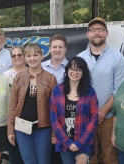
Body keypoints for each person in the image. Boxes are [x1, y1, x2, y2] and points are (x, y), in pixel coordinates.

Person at [77, 17, 124, 164]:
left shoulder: (117, 58)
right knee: (88, 157)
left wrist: (102, 112)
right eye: (93, 30)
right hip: (85, 116)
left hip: (109, 116)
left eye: (100, 30)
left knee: (110, 157)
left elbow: (119, 90)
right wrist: (91, 113)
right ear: (87, 34)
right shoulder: (80, 58)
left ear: (107, 33)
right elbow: (76, 87)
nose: (97, 33)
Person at [7, 43, 57, 164]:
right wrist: (10, 130)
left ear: (42, 55)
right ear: (25, 58)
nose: (32, 58)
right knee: (29, 162)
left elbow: (55, 108)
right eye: (28, 55)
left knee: (43, 161)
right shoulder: (19, 77)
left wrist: (55, 132)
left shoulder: (50, 78)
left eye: (35, 55)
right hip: (22, 128)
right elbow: (13, 104)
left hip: (43, 129)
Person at [50, 57, 99, 164]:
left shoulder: (90, 92)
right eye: (72, 69)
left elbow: (94, 119)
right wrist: (67, 142)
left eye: (78, 70)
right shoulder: (58, 90)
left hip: (84, 142)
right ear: (67, 70)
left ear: (83, 72)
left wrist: (80, 143)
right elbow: (54, 119)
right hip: (64, 142)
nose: (74, 72)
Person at [42, 34, 68, 164]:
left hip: (65, 116)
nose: (57, 49)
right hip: (44, 115)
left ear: (65, 49)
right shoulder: (41, 67)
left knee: (63, 153)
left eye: (60, 47)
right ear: (50, 48)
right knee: (48, 153)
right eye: (54, 47)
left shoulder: (72, 68)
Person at [3, 45, 26, 164]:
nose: (17, 57)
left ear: (24, 56)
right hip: (13, 120)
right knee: (15, 153)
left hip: (29, 119)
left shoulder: (32, 72)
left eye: (19, 55)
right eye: (14, 55)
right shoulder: (6, 76)